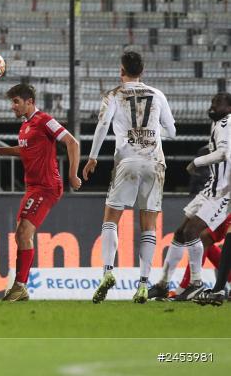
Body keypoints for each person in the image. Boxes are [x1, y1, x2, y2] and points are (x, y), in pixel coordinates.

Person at [83, 51, 176, 303]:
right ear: (142, 71)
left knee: (111, 219)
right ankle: (144, 284)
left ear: (122, 71)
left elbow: (103, 125)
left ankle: (108, 272)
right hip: (155, 162)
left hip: (127, 160)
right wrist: (152, 133)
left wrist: (92, 157)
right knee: (149, 224)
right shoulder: (158, 95)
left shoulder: (114, 94)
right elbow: (172, 131)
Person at [0, 83, 81, 302]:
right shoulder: (25, 126)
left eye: (16, 101)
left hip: (47, 187)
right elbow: (25, 150)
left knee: (23, 233)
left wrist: (72, 175)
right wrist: (0, 151)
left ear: (30, 102)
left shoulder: (44, 120)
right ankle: (20, 287)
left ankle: (20, 286)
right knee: (21, 234)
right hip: (33, 187)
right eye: (12, 102)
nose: (13, 106)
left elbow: (72, 143)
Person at [148, 93, 231, 301]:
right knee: (180, 233)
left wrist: (198, 161)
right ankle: (163, 283)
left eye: (217, 103)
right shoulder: (220, 123)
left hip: (221, 193)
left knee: (194, 232)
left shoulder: (227, 123)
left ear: (229, 107)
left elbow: (223, 153)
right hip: (210, 188)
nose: (212, 106)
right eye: (212, 102)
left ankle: (195, 283)